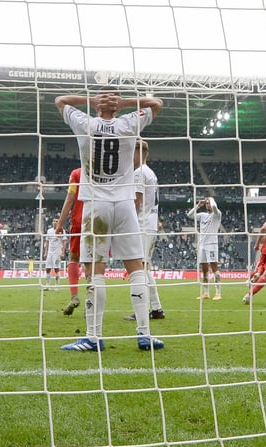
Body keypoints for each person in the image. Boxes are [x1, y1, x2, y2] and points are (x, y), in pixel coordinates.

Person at [54, 90, 165, 352]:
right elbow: (157, 104)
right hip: (126, 203)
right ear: (115, 108)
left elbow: (60, 101)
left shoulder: (86, 123)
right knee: (137, 268)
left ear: (98, 107)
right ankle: (144, 334)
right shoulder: (129, 123)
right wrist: (125, 103)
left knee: (95, 269)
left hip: (96, 204)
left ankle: (93, 337)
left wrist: (91, 101)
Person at [123, 139, 165, 321]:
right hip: (151, 224)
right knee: (145, 267)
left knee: (139, 268)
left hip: (142, 225)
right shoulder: (151, 173)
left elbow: (137, 201)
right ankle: (156, 309)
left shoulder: (139, 173)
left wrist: (127, 223)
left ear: (139, 152)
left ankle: (146, 308)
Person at [56, 167, 83, 315]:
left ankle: (74, 296)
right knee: (94, 263)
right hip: (98, 220)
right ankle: (92, 303)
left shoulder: (76, 173)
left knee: (74, 258)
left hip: (79, 221)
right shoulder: (103, 172)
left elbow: (70, 198)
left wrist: (60, 224)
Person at [187, 197, 222, 300]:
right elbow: (189, 215)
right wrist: (198, 205)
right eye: (206, 204)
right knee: (204, 269)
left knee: (214, 267)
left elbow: (215, 206)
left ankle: (218, 293)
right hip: (202, 244)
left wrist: (211, 199)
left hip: (212, 244)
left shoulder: (217, 214)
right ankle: (206, 293)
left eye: (209, 203)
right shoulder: (203, 216)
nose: (208, 205)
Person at [43, 217, 66, 291]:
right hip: (50, 253)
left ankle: (56, 285)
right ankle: (47, 285)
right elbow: (47, 242)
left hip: (57, 253)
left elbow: (64, 241)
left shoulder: (61, 230)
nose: (55, 222)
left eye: (56, 221)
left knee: (56, 269)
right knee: (47, 269)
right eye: (54, 221)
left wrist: (62, 252)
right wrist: (45, 252)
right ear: (52, 222)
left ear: (59, 222)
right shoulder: (49, 231)